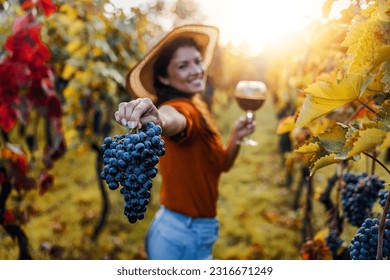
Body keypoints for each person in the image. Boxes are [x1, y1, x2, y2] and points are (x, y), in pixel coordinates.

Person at [114, 24, 255, 260]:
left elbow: (221, 165)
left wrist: (235, 139)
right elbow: (174, 120)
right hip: (181, 237)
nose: (197, 70)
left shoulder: (198, 105)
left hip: (186, 232)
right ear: (163, 76)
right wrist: (158, 120)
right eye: (183, 65)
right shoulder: (178, 108)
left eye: (197, 61)